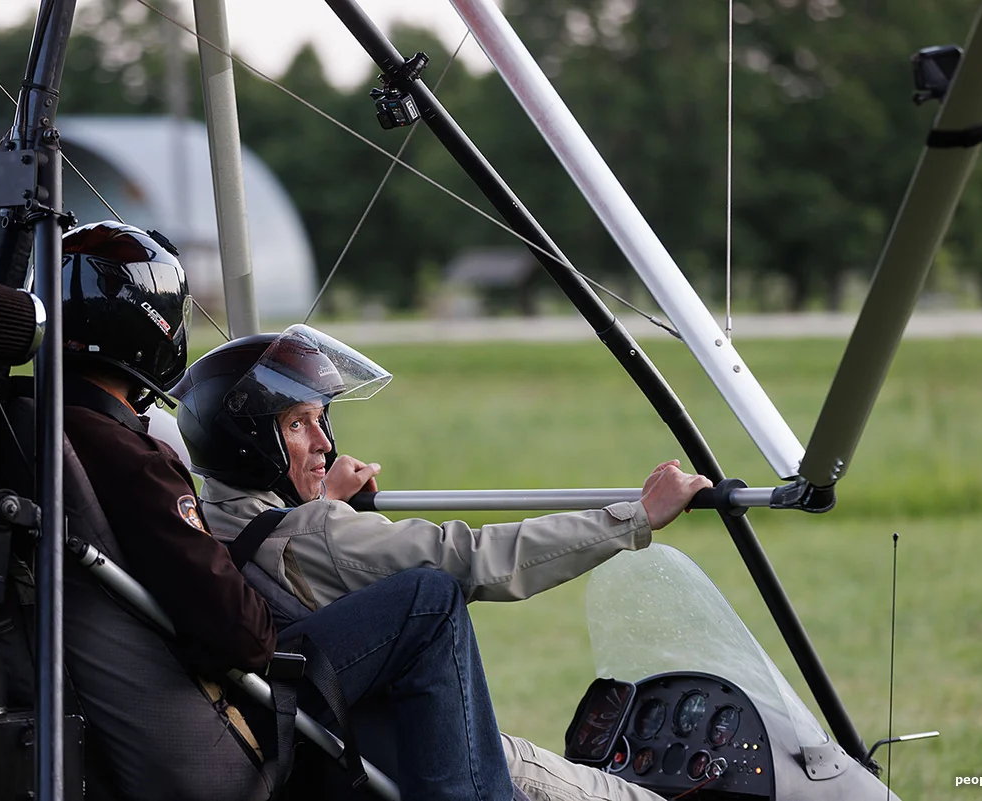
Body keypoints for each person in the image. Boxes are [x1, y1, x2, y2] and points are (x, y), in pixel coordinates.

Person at [57, 221, 523, 801]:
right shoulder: (131, 456)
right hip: (232, 702)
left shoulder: (46, 430)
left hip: (138, 709)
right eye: (299, 422)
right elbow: (241, 632)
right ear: (153, 326)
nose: (323, 440)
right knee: (428, 600)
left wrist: (312, 511)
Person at [172, 325, 714, 801]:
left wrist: (322, 501)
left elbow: (294, 547)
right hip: (444, 754)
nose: (324, 444)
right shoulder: (320, 533)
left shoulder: (210, 523)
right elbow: (474, 557)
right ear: (247, 442)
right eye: (297, 425)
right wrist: (635, 516)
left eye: (321, 420)